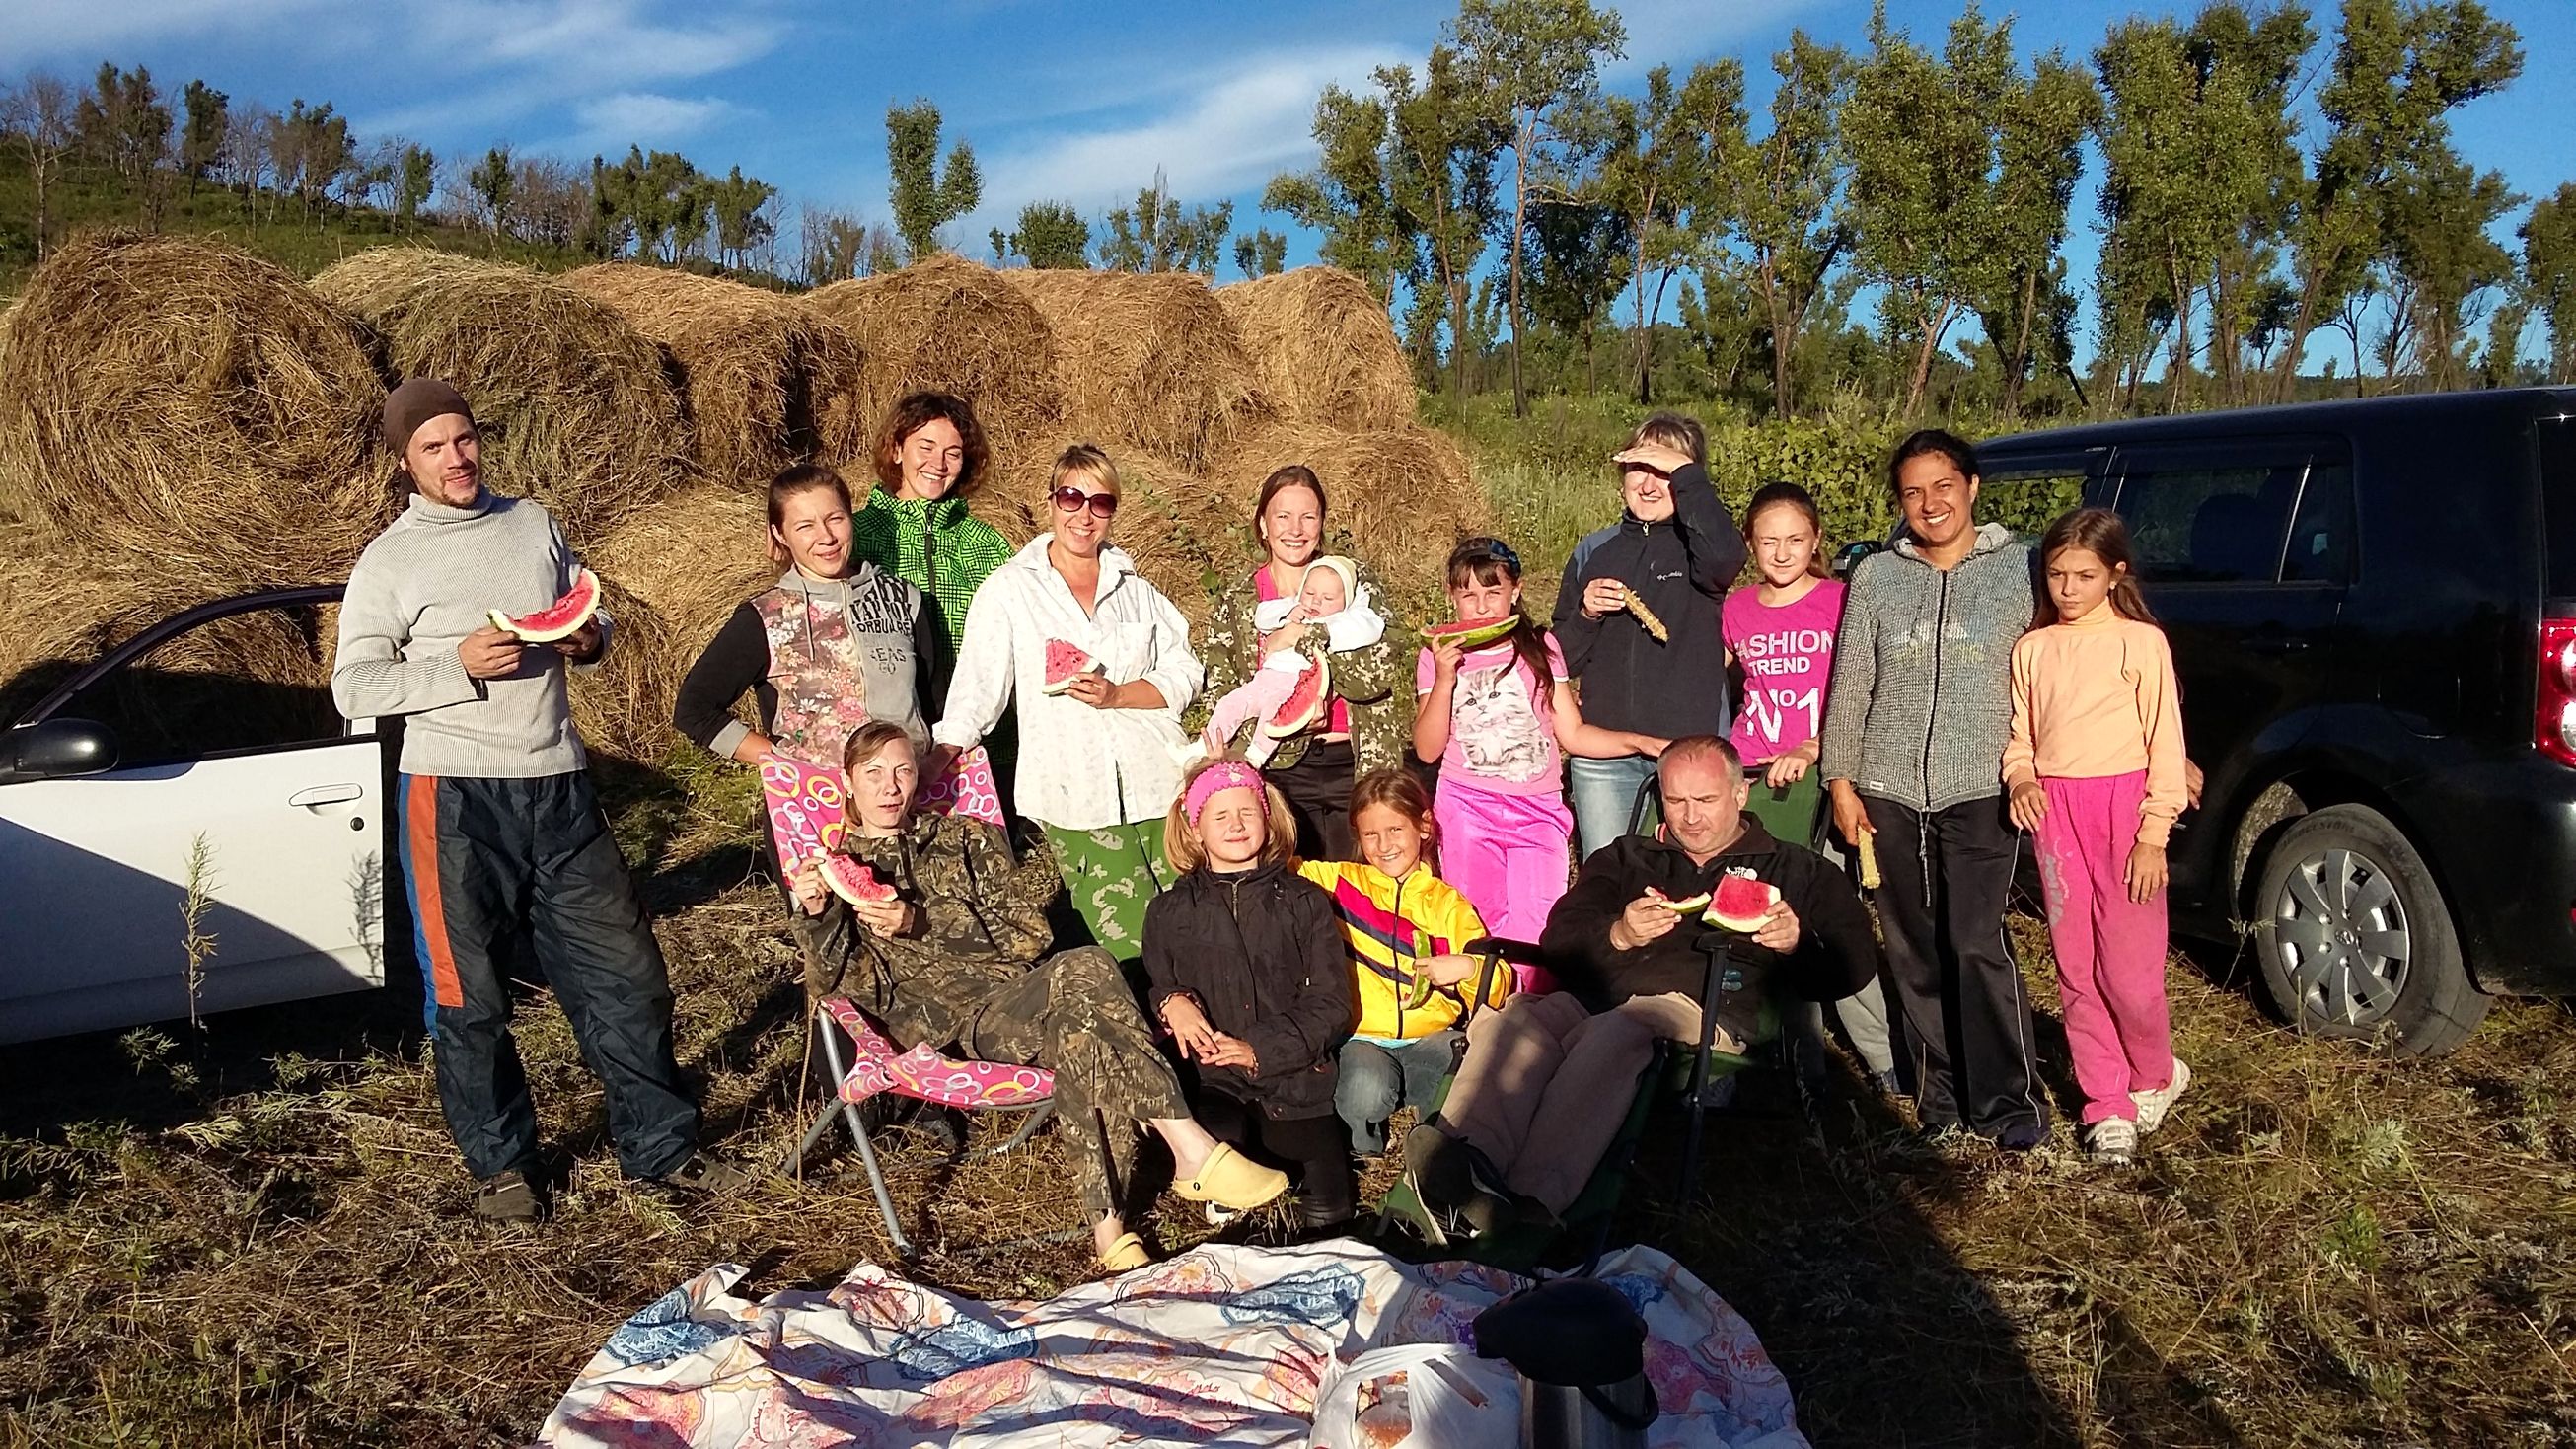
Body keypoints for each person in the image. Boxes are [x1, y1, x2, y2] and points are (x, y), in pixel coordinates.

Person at [331, 377, 736, 1225]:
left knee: (629, 979)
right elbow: (353, 684)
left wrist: (589, 637)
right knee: (468, 998)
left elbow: (583, 619)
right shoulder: (389, 559)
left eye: (464, 438)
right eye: (434, 446)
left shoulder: (532, 521)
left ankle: (660, 1149)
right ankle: (505, 1169)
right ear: (405, 462)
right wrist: (455, 668)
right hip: (452, 794)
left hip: (559, 782)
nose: (456, 457)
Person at [787, 722, 1288, 1271]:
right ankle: (1189, 1145)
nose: (890, 786)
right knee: (1089, 977)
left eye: (903, 770)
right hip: (949, 1025)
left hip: (1016, 994)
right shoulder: (832, 869)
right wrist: (815, 915)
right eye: (874, 773)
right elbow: (830, 987)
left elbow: (1030, 934)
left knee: (1083, 996)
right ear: (848, 783)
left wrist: (922, 921)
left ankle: (1110, 1232)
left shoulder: (966, 839)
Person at [1403, 737, 1875, 1230]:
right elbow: (1559, 939)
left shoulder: (1797, 869)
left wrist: (1797, 943)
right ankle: (1463, 1167)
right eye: (1676, 801)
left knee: (1625, 1028)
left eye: (1706, 800)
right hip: (1593, 1001)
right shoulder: (1627, 858)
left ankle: (1532, 1202)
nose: (1690, 817)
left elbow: (1854, 964)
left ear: (1741, 794)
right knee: (1517, 1017)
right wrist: (1618, 934)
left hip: (1704, 1015)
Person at [1820, 429, 2051, 1150]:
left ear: (1972, 487)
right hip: (1885, 788)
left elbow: (2065, 664)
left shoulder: (2022, 570)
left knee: (1974, 939)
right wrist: (1840, 778)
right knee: (1913, 947)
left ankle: (2009, 1102)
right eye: (1913, 492)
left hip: (1981, 786)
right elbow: (1851, 679)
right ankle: (1941, 1097)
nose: (1929, 503)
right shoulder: (1877, 579)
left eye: (1942, 485)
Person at [932, 444, 1202, 962]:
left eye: (1100, 503)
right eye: (1072, 497)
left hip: (1159, 784)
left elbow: (1187, 670)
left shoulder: (1137, 590)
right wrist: (943, 752)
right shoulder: (1009, 591)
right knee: (1126, 946)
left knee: (1190, 929)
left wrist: (1121, 694)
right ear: (1052, 501)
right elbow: (978, 687)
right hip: (1076, 796)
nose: (1085, 514)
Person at [2004, 509, 2190, 1165]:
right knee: (2076, 965)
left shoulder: (2140, 643)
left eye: (2083, 575)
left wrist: (2152, 832)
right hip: (2056, 815)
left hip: (2125, 810)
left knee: (2129, 972)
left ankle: (2155, 1072)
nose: (2067, 588)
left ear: (2115, 574)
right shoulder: (2032, 649)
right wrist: (2021, 778)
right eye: (2054, 574)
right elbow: (2020, 739)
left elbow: (2165, 742)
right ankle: (2104, 1102)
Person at [1415, 537, 1666, 990]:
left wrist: (1637, 740)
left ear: (1516, 591)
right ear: (1452, 598)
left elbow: (1571, 733)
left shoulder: (1542, 648)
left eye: (1493, 592)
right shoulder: (1436, 659)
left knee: (1539, 925)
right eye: (1467, 594)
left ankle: (1529, 1016)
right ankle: (1478, 1020)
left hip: (1537, 813)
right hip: (1467, 812)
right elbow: (1428, 749)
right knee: (1476, 923)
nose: (1481, 605)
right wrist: (1446, 677)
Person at [1722, 481, 1899, 1094]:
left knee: (1831, 916)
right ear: (1750, 544)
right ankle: (1797, 1059)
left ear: (1816, 540)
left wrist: (1815, 747)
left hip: (1822, 778)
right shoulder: (1736, 609)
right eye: (1768, 541)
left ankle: (1882, 1056)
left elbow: (1869, 691)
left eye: (1795, 539)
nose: (1782, 552)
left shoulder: (1842, 601)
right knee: (1768, 919)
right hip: (1755, 778)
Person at [1143, 760, 1357, 1233]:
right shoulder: (1168, 911)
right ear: (1195, 829)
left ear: (1268, 817)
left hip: (1295, 1083)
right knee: (1223, 1153)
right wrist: (1169, 1000)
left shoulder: (1306, 902)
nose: (1236, 824)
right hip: (1211, 1082)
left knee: (1331, 1223)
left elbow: (1332, 1003)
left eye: (1248, 812)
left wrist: (1261, 1049)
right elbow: (1154, 984)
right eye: (1220, 816)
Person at [1552, 412, 1747, 858]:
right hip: (1604, 754)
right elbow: (1561, 658)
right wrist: (1586, 614)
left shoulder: (1701, 548)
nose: (1649, 484)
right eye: (1640, 469)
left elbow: (1725, 561)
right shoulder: (1593, 551)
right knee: (1610, 872)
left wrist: (1688, 479)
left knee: (1691, 873)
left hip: (1688, 750)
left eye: (1665, 472)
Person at [1199, 466, 1412, 861]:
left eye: (1308, 516)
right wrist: (1290, 721)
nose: (1296, 529)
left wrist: (1304, 636)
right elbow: (1223, 692)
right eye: (1283, 516)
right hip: (1278, 769)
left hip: (1358, 763)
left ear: (1321, 524)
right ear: (1262, 524)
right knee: (1296, 895)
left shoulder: (1357, 584)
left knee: (1364, 894)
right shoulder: (1240, 600)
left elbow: (1383, 669)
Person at [670, 464, 938, 769]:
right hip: (815, 805)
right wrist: (785, 767)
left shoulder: (901, 598)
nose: (826, 537)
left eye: (834, 519)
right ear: (779, 534)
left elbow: (937, 705)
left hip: (906, 799)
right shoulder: (764, 617)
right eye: (805, 526)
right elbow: (693, 709)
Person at [1298, 769, 1509, 1157]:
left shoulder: (1447, 903)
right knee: (1364, 1091)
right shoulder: (1339, 882)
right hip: (1362, 1036)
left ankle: (1437, 1154)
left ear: (1424, 826)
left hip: (1431, 1035)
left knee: (1465, 1077)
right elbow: (1275, 866)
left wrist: (1466, 967)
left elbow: (1498, 978)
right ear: (1357, 837)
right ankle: (1367, 1152)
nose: (1384, 845)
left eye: (1396, 829)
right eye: (1371, 834)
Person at [1198, 555, 1384, 769]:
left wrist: (1310, 632)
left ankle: (1255, 757)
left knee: (1273, 713)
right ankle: (1200, 748)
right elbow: (1262, 616)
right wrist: (1288, 613)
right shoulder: (1290, 606)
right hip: (1265, 681)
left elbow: (1372, 626)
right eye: (1310, 593)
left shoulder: (1344, 616)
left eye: (1328, 598)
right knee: (1230, 704)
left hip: (1297, 687)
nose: (1316, 601)